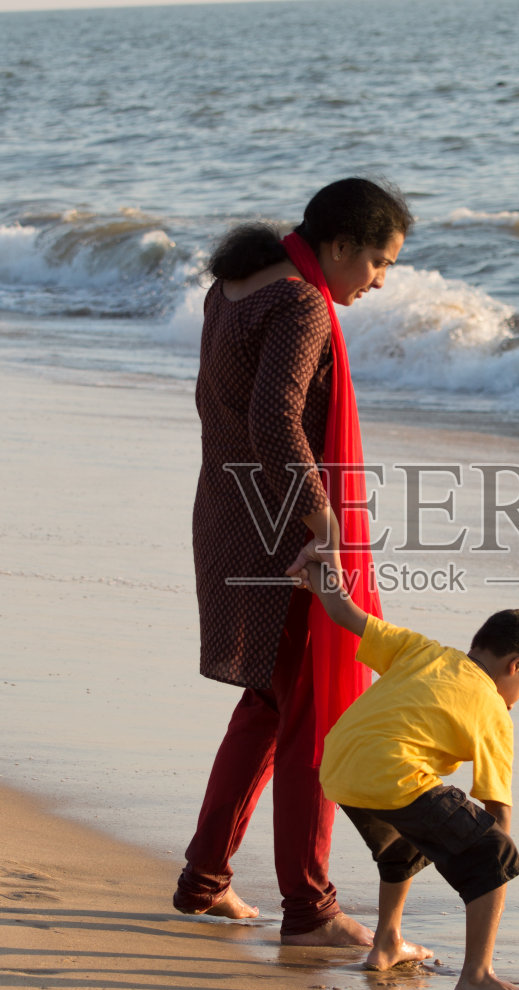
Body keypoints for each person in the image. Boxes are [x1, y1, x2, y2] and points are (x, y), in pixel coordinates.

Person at [173, 178, 412, 946]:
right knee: (308, 718)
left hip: (229, 512)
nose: (380, 280)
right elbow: (277, 418)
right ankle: (309, 909)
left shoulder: (236, 285)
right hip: (282, 532)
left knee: (270, 706)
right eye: (377, 261)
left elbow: (219, 405)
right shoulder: (301, 304)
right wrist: (321, 521)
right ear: (339, 246)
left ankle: (205, 881)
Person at [297, 554, 519, 990]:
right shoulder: (494, 709)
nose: (515, 704)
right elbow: (498, 808)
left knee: (403, 843)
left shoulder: (424, 649)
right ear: (518, 664)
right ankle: (476, 977)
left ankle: (387, 942)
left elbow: (341, 609)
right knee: (494, 852)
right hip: (392, 772)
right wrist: (494, 866)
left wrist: (318, 562)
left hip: (340, 763)